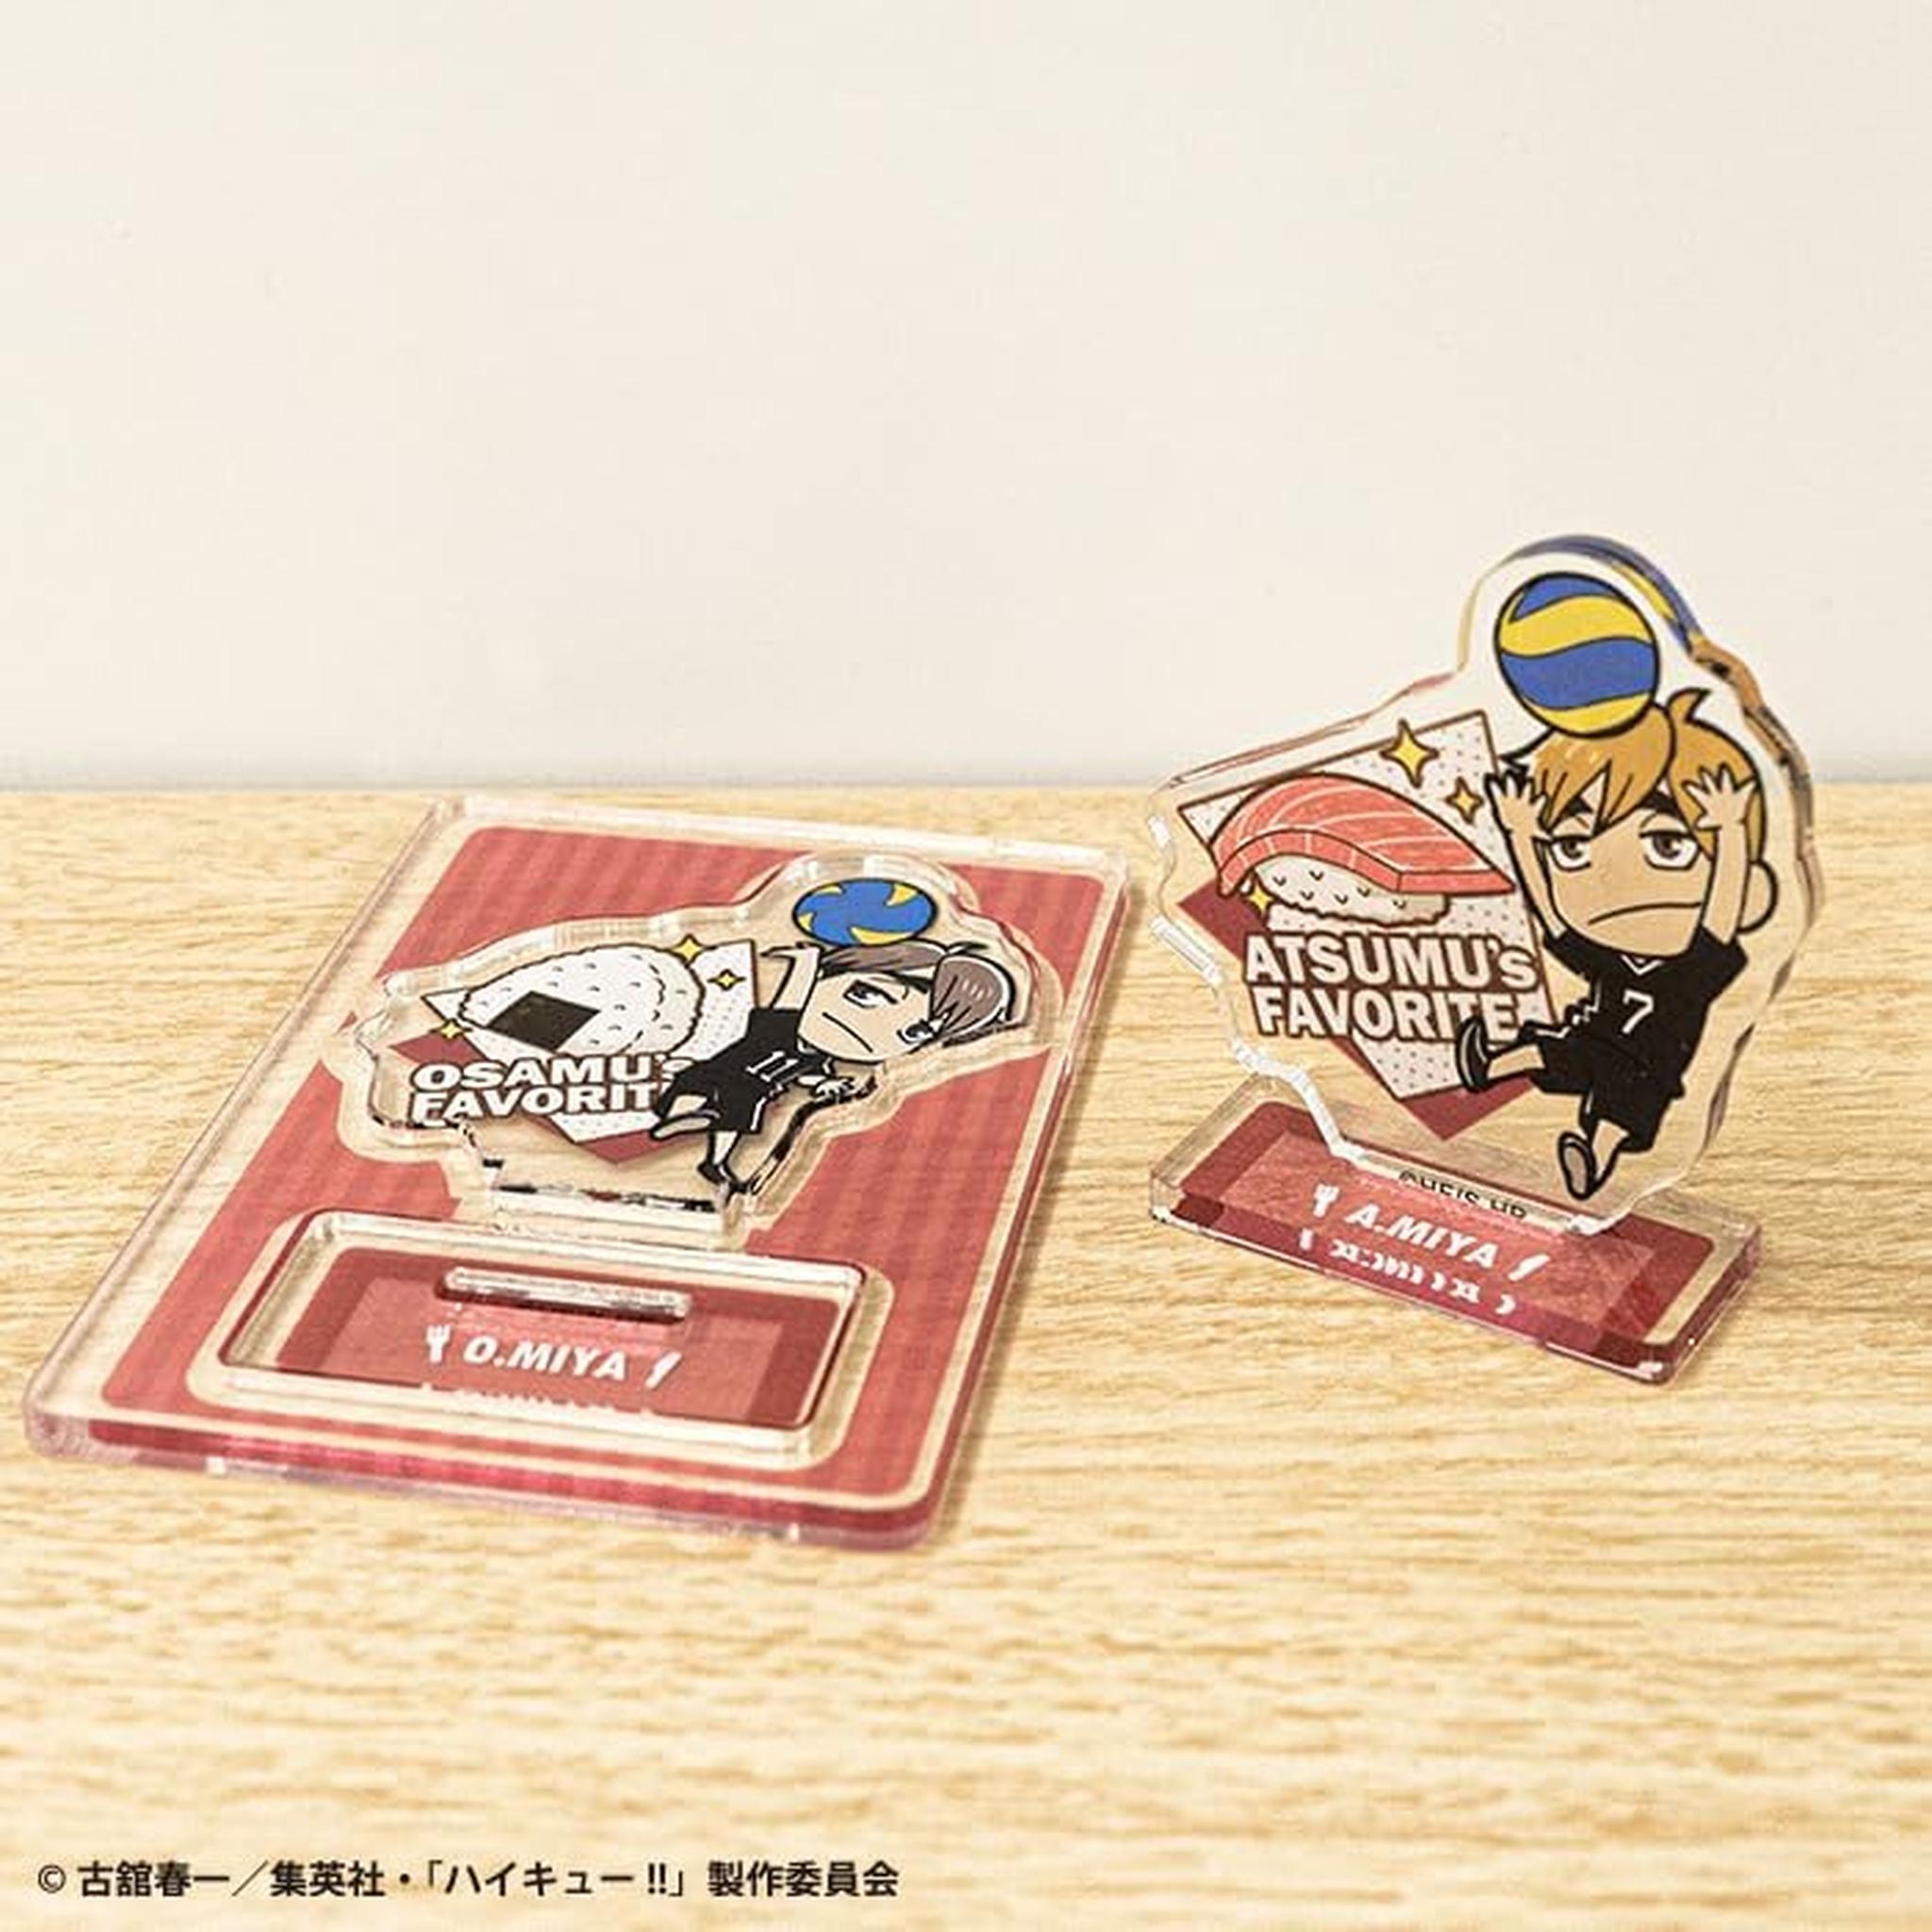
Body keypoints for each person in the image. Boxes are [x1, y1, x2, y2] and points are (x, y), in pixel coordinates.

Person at [1457, 691, 1775, 1200]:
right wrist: (1521, 835)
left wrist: (1730, 830)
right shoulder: (1606, 958)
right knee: (1547, 1049)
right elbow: (1551, 913)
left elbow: (1721, 911)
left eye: (1669, 845)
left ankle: (1593, 1159)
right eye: (1572, 846)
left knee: (1618, 1113)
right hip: (1592, 1041)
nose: (1623, 885)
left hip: (1645, 1067)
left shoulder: (1693, 967)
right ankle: (1487, 1067)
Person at [650, 938, 1018, 1194]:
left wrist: (824, 1085)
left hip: (756, 1089)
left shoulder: (818, 1057)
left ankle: (714, 1158)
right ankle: (682, 1116)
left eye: (915, 1032)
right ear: (828, 977)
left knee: (743, 1111)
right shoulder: (779, 1027)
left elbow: (809, 1073)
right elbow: (794, 994)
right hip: (720, 1071)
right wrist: (806, 961)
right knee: (695, 1087)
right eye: (866, 994)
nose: (875, 1029)